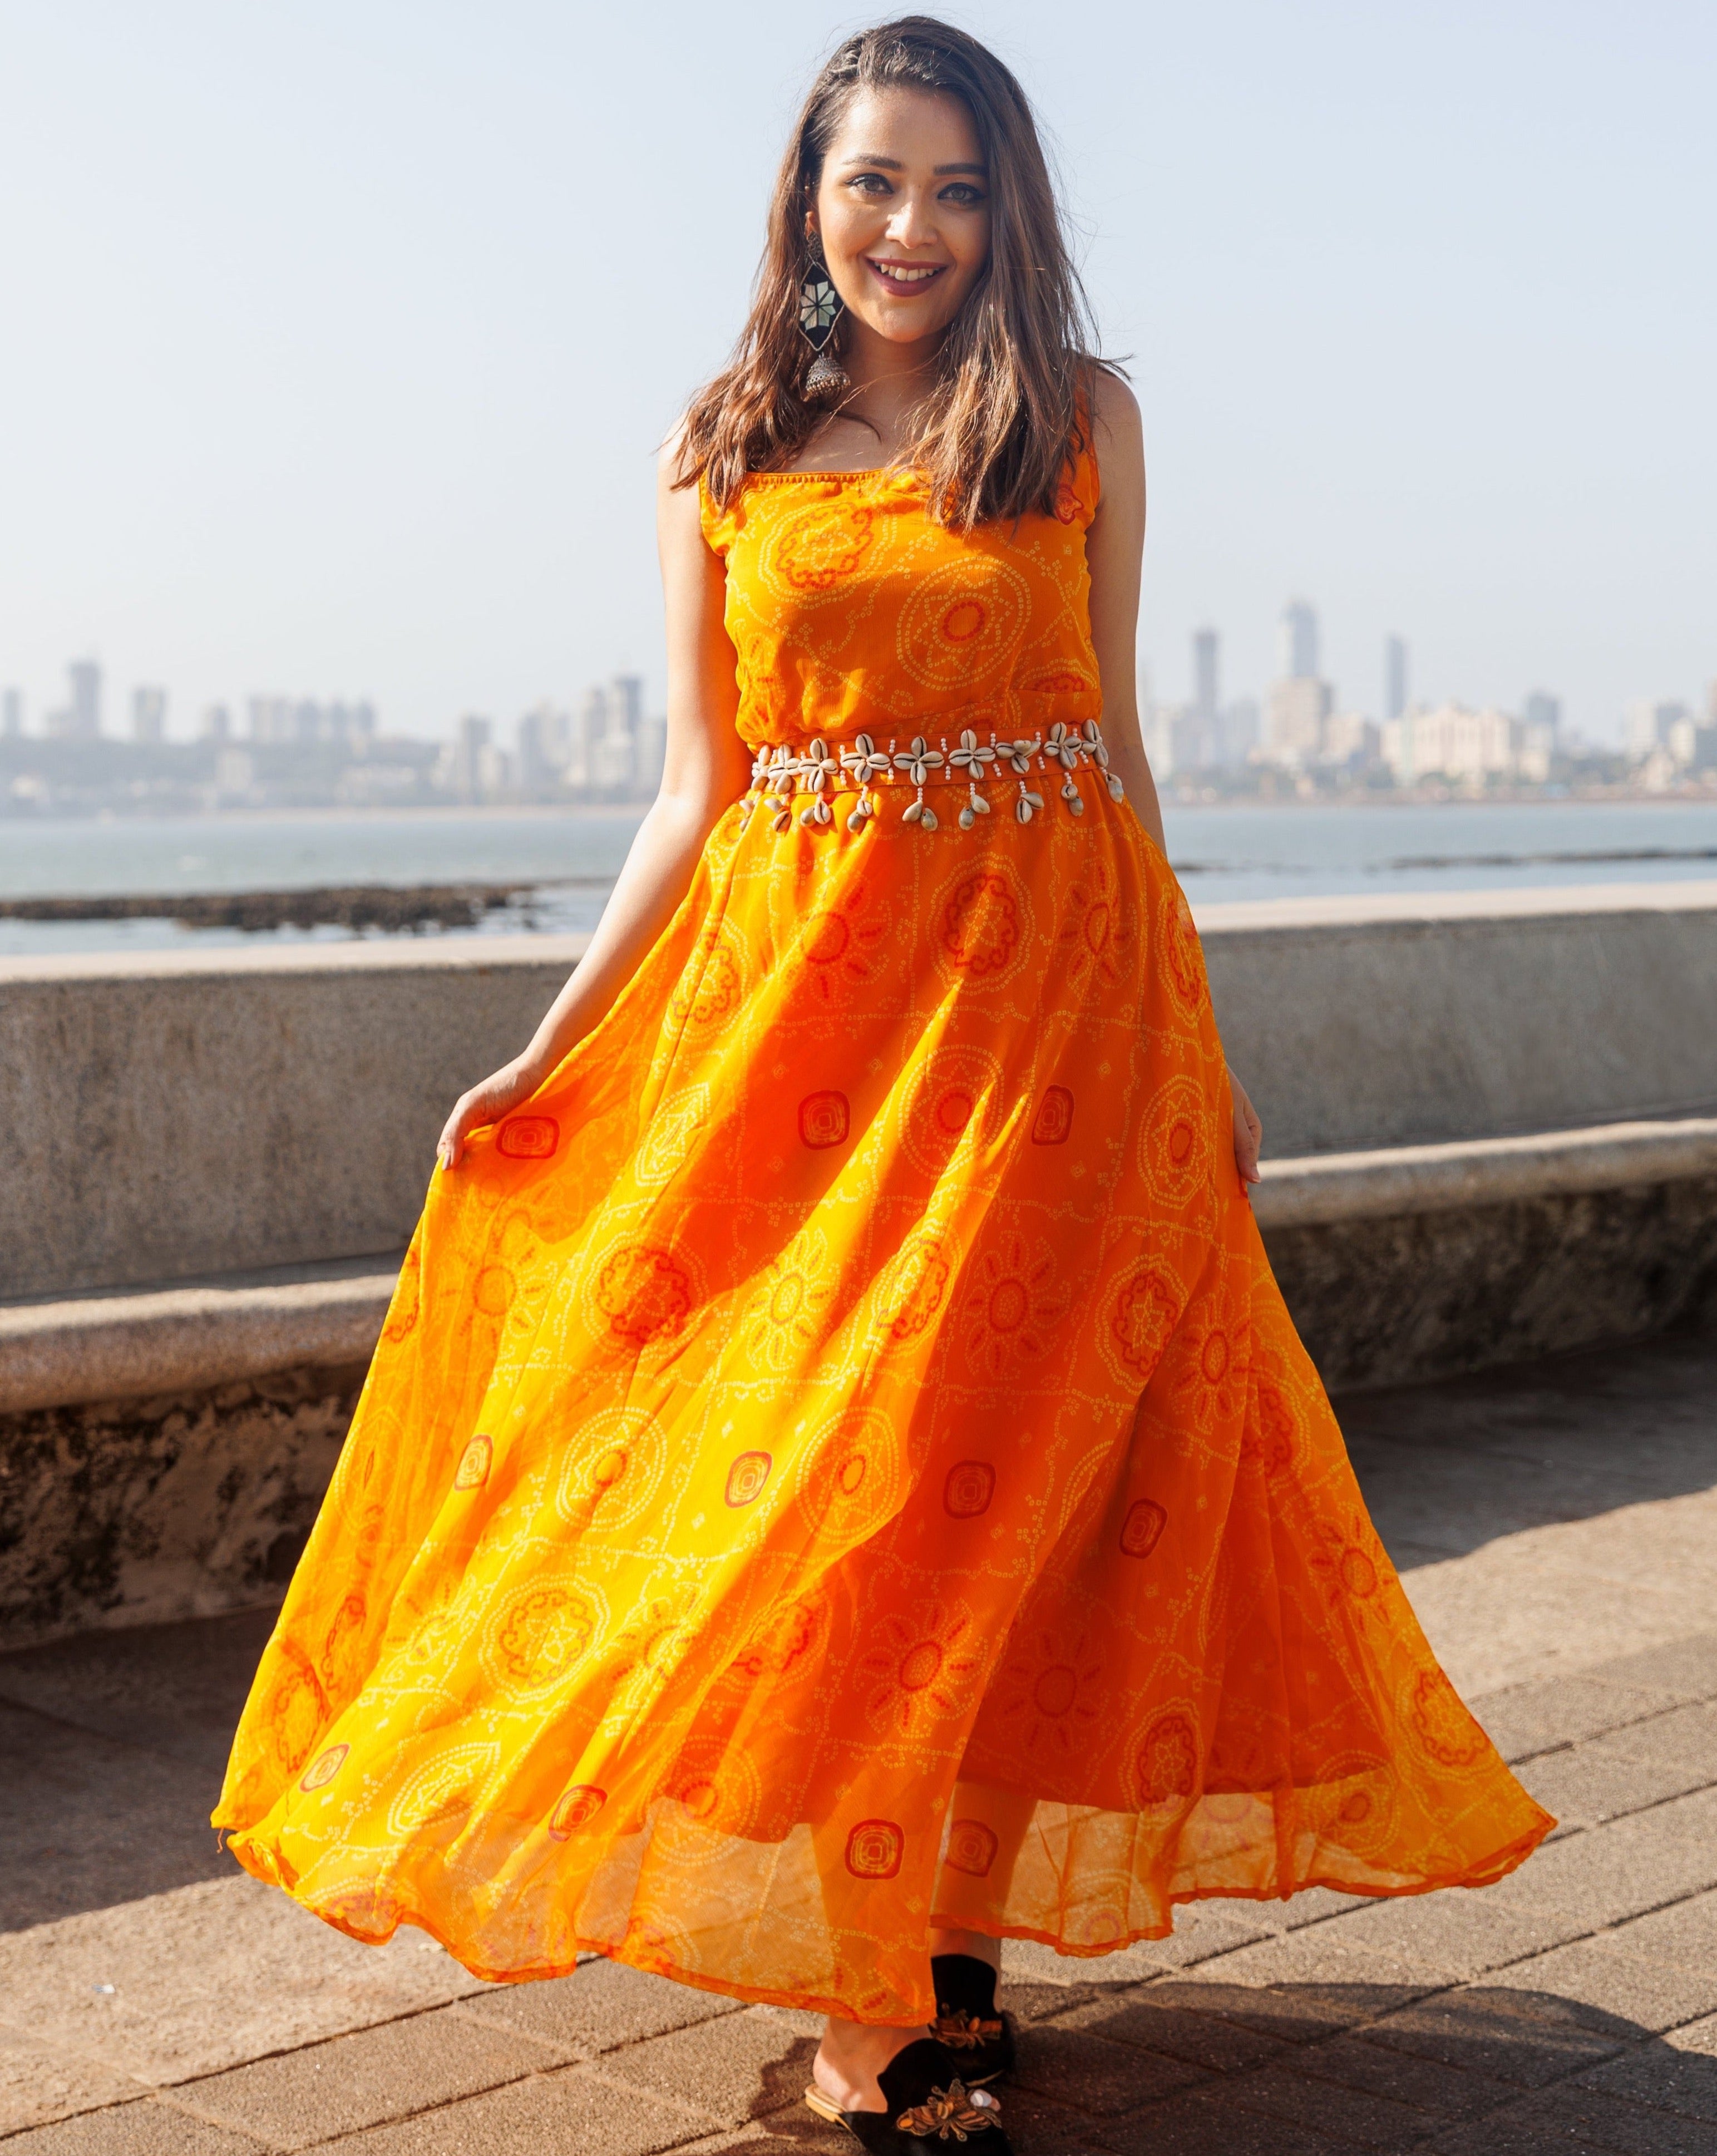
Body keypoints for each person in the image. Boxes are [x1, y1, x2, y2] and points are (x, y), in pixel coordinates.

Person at [215, 18, 1552, 2152]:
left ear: (1009, 207)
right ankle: (881, 1959)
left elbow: (1116, 753)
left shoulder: (1082, 422)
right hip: (807, 1035)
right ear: (806, 198)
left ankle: (929, 1983)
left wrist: (1195, 1048)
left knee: (985, 1497)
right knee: (814, 1483)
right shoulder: (720, 445)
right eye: (872, 182)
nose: (911, 226)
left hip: (1053, 1030)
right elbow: (694, 791)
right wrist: (550, 1044)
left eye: (955, 186)